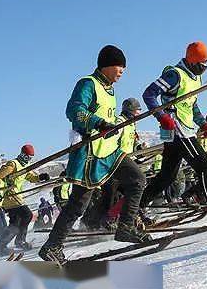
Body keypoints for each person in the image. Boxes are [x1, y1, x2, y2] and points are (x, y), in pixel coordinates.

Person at [39, 45, 150, 265]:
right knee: (78, 203)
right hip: (91, 153)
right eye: (120, 67)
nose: (122, 72)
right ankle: (52, 245)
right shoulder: (88, 84)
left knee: (138, 179)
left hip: (109, 150)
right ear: (108, 64)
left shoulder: (110, 90)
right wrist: (98, 123)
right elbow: (74, 110)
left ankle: (126, 228)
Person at [137, 42, 207, 224]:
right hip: (176, 128)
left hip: (184, 128)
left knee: (167, 175)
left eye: (206, 64)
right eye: (202, 64)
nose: (204, 68)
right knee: (205, 165)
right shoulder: (175, 75)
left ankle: (134, 209)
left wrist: (203, 124)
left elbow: (191, 105)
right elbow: (149, 94)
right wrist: (162, 116)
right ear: (192, 61)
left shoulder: (195, 78)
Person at [81, 98, 142, 230]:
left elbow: (130, 145)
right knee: (111, 195)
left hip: (125, 163)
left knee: (126, 192)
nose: (139, 113)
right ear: (131, 110)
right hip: (114, 163)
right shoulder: (120, 122)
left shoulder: (132, 125)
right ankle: (93, 220)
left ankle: (107, 218)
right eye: (138, 110)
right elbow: (111, 141)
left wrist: (138, 153)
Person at [0, 144, 49, 254]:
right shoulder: (13, 164)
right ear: (22, 154)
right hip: (10, 196)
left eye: (30, 158)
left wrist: (40, 177)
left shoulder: (24, 166)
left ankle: (1, 246)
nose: (27, 160)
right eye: (26, 157)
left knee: (15, 223)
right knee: (27, 215)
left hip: (15, 196)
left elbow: (30, 177)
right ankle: (19, 240)